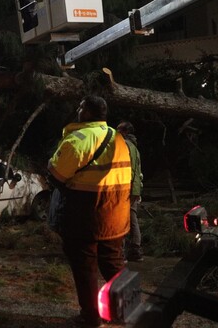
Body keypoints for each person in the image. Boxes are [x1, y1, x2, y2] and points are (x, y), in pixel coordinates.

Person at [47, 95, 132, 328]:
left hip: (84, 217)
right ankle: (125, 311)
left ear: (88, 113)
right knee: (114, 265)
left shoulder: (78, 139)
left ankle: (91, 317)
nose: (78, 109)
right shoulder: (119, 139)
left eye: (82, 106)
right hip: (115, 215)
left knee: (85, 269)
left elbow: (55, 175)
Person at [117, 121, 144, 262]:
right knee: (132, 220)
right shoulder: (135, 148)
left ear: (125, 131)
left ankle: (120, 253)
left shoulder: (124, 145)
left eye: (119, 129)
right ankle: (136, 251)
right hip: (134, 188)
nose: (116, 132)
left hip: (125, 187)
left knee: (120, 220)